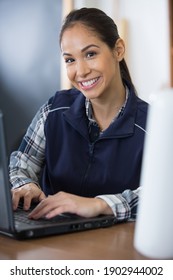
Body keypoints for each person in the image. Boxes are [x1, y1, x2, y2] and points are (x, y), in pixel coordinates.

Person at [9, 7, 148, 221]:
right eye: (70, 60)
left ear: (118, 50)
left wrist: (99, 205)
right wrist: (26, 185)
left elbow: (163, 194)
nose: (81, 71)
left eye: (90, 54)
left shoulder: (154, 126)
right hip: (50, 242)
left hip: (116, 248)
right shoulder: (53, 109)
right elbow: (20, 163)